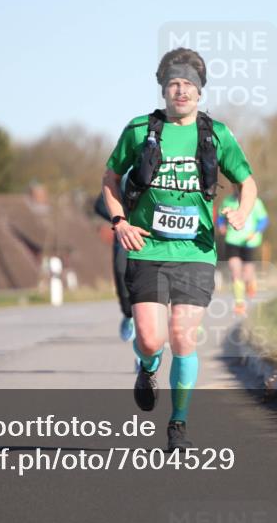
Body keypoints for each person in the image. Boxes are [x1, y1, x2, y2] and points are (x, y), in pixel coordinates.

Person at [101, 47, 257, 452]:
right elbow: (110, 177)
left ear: (200, 92)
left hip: (196, 250)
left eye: (188, 83)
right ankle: (147, 366)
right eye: (174, 83)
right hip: (148, 248)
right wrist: (120, 221)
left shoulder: (216, 134)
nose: (181, 89)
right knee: (152, 340)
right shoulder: (139, 130)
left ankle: (179, 424)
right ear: (163, 90)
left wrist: (242, 210)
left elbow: (247, 181)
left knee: (184, 337)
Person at [93, 175, 135, 343]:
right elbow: (99, 205)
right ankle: (128, 314)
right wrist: (120, 219)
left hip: (150, 241)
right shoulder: (123, 177)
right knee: (121, 276)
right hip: (123, 239)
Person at [216, 185, 269, 316]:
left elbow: (264, 220)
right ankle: (239, 303)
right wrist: (221, 225)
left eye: (240, 188)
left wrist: (256, 232)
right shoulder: (228, 201)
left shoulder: (255, 202)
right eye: (235, 187)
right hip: (232, 240)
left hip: (249, 241)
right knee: (235, 270)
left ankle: (251, 282)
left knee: (247, 273)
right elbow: (220, 218)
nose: (237, 190)